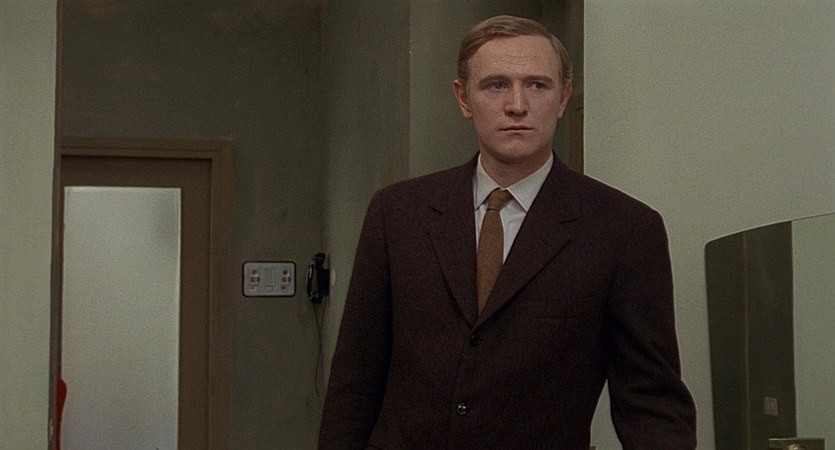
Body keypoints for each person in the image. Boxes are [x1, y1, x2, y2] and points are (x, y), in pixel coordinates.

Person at [319, 15, 696, 449]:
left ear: (563, 98)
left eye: (537, 85)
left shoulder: (623, 229)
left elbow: (651, 403)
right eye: (496, 85)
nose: (517, 105)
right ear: (464, 98)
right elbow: (355, 378)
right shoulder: (398, 214)